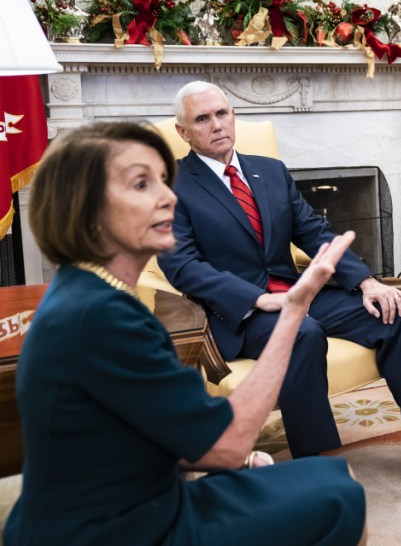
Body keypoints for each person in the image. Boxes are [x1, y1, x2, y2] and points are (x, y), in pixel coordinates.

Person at [4, 122, 366, 544]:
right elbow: (228, 442)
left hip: (139, 500)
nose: (169, 197)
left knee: (333, 475)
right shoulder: (101, 316)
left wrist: (240, 462)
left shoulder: (87, 293)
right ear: (84, 209)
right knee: (341, 495)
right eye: (142, 184)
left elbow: (147, 425)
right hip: (115, 529)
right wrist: (294, 311)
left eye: (163, 180)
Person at [157, 82, 401, 488]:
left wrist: (368, 283)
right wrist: (258, 299)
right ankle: (312, 466)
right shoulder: (172, 186)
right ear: (183, 131)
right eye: (202, 118)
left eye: (222, 113)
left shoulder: (269, 171)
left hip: (295, 293)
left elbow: (314, 232)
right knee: (304, 333)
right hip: (238, 314)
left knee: (395, 310)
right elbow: (183, 267)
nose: (217, 124)